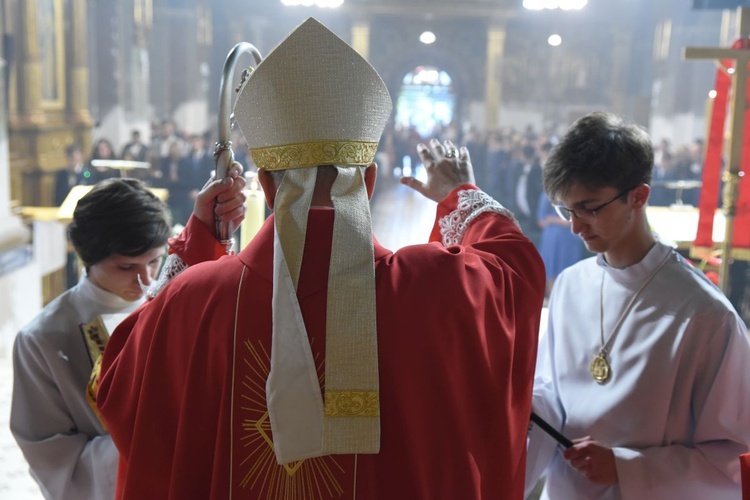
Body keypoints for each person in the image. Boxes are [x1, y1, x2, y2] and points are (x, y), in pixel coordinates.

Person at [97, 18, 545, 499]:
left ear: (266, 187)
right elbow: (515, 273)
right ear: (369, 182)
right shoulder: (436, 288)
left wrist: (198, 241)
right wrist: (461, 193)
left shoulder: (193, 299)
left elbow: (121, 384)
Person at [525, 112, 750, 499]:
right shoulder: (568, 286)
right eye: (568, 211)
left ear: (639, 196)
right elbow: (550, 395)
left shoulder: (706, 315)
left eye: (590, 208)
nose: (576, 227)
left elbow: (735, 458)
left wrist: (628, 467)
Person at [10, 171, 246, 500]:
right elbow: (56, 460)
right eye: (125, 267)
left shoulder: (172, 302)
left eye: (153, 262)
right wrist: (159, 443)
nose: (144, 281)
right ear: (83, 255)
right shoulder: (42, 340)